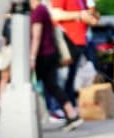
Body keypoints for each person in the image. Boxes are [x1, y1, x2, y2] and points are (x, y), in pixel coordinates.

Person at [31, 0, 85, 130]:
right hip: (49, 54)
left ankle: (30, 116)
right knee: (52, 86)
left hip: (42, 55)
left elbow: (36, 36)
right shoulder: (43, 9)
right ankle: (72, 115)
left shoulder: (38, 11)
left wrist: (32, 56)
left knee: (31, 85)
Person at [50, 0, 100, 105]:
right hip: (68, 43)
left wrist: (92, 13)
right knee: (65, 80)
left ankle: (71, 107)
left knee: (73, 81)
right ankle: (62, 108)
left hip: (82, 42)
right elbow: (55, 15)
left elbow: (93, 17)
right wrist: (80, 14)